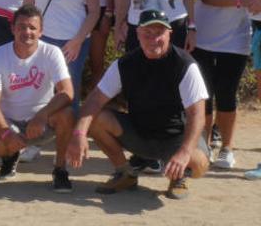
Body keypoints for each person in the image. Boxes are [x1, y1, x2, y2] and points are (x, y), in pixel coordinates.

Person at [66, 10, 210, 200]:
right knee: (95, 119)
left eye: (159, 33)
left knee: (200, 164)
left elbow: (197, 114)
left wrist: (184, 152)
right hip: (139, 134)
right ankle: (125, 173)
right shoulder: (124, 64)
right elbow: (94, 100)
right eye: (147, 33)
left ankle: (178, 177)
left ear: (169, 34)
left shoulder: (184, 65)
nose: (153, 39)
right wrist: (79, 133)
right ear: (138, 35)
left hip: (175, 138)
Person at [192, 0, 261, 169]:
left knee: (227, 94)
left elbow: (257, 2)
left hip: (236, 40)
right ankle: (203, 144)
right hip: (203, 37)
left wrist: (250, 2)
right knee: (204, 95)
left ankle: (227, 148)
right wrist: (242, 1)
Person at [0, 5, 75, 192]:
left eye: (32, 28)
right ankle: (10, 157)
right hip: (10, 122)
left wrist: (41, 116)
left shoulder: (52, 52)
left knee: (66, 114)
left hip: (42, 122)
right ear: (13, 29)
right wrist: (6, 133)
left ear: (41, 31)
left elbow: (67, 92)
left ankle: (60, 169)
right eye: (21, 26)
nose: (27, 32)